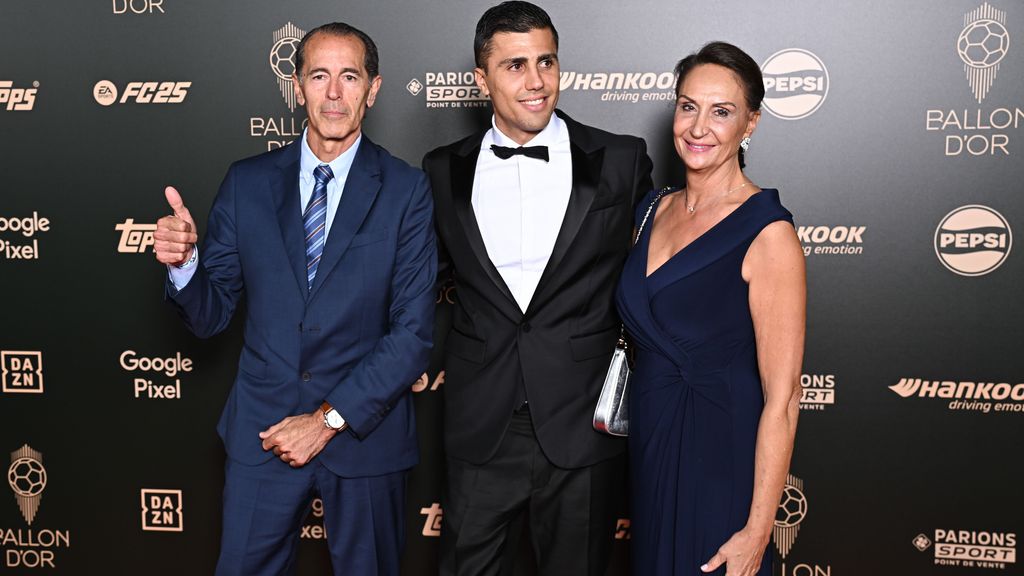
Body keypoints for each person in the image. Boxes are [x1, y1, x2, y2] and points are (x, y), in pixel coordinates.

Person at [152, 22, 435, 576]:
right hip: (263, 433)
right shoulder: (246, 183)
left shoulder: (406, 191)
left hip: (365, 437)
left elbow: (413, 336)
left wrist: (325, 421)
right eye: (319, 76)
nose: (334, 94)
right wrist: (186, 264)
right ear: (297, 87)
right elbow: (211, 317)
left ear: (372, 89)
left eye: (349, 76)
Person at [422, 2, 653, 575]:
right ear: (482, 80)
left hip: (582, 422)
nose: (536, 82)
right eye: (515, 66)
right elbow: (416, 279)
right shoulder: (439, 170)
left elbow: (667, 260)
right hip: (482, 421)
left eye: (546, 62)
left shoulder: (620, 160)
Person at [615, 41, 805, 576]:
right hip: (650, 454)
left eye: (721, 112)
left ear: (751, 124)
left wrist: (757, 530)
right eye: (688, 105)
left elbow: (784, 400)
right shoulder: (651, 210)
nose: (698, 128)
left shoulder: (768, 233)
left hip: (723, 466)